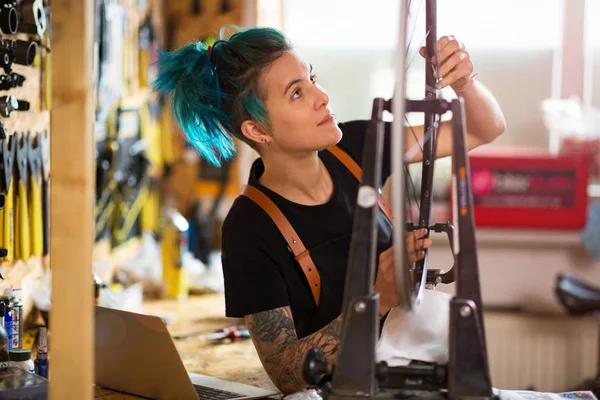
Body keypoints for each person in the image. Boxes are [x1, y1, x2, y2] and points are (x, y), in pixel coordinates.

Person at [152, 25, 506, 395]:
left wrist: (464, 81)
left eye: (312, 79)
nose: (322, 96)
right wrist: (379, 298)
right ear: (258, 131)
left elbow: (484, 128)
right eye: (297, 93)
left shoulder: (356, 148)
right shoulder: (248, 229)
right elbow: (287, 375)